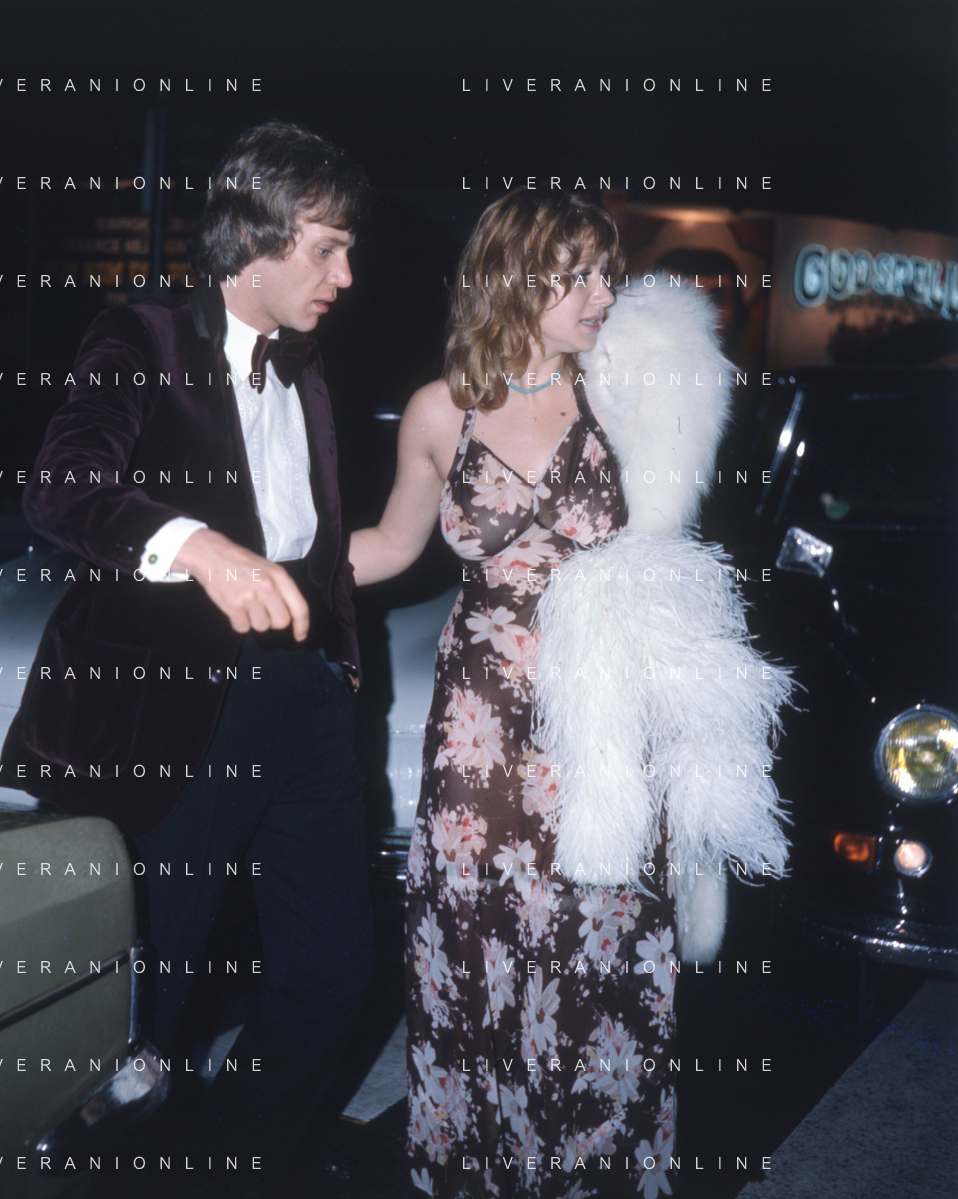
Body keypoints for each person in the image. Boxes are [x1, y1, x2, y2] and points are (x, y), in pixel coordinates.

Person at [0, 121, 375, 1195]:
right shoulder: (143, 334)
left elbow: (315, 542)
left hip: (301, 699)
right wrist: (199, 547)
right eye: (327, 249)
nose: (346, 275)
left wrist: (340, 660)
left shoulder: (308, 369)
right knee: (145, 1009)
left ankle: (230, 1167)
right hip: (173, 706)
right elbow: (62, 488)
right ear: (253, 243)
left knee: (334, 973)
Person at [350, 191, 681, 1197]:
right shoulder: (438, 409)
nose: (602, 294)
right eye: (577, 275)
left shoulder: (626, 397)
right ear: (512, 279)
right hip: (480, 721)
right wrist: (254, 562)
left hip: (601, 714)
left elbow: (675, 564)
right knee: (475, 930)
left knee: (600, 933)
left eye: (606, 273)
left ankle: (590, 1168)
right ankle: (481, 1165)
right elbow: (389, 546)